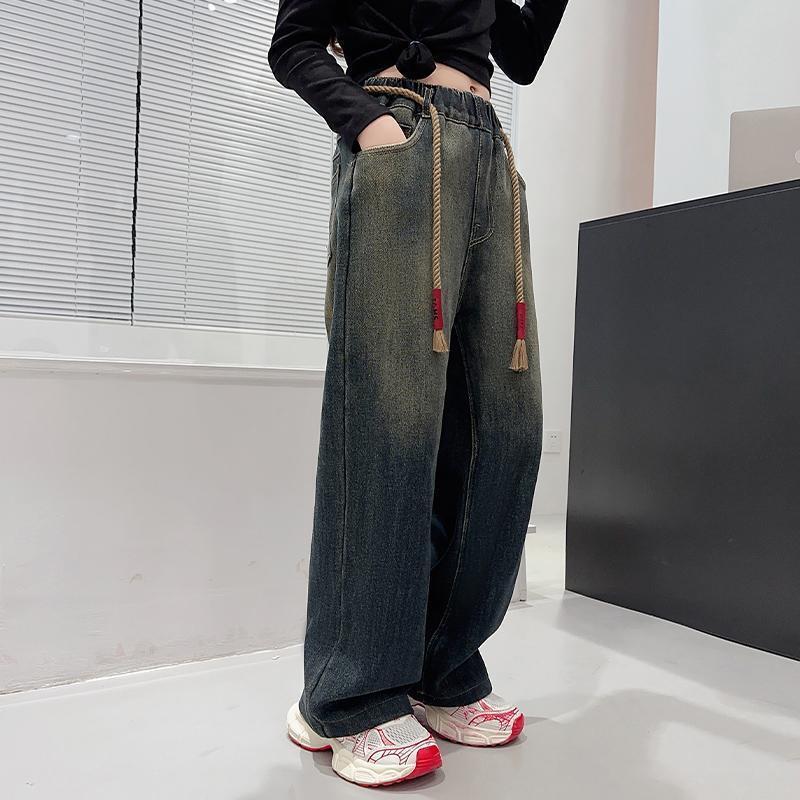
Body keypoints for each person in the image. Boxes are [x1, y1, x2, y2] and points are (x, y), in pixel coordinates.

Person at [268, 0, 569, 787]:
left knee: (505, 430)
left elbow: (521, 54)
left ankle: (442, 669)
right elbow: (293, 43)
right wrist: (370, 126)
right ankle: (346, 696)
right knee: (389, 422)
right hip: (401, 137)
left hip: (488, 152)